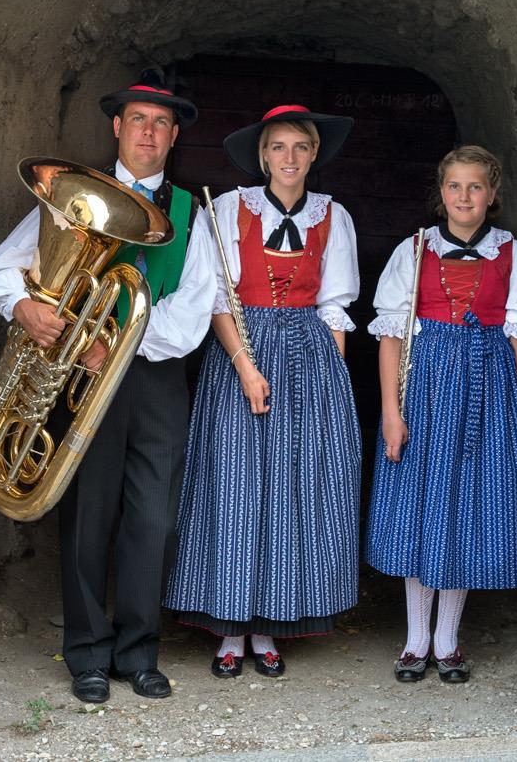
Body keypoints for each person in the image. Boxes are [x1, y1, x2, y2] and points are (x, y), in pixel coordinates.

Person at [0, 72, 215, 704]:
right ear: (117, 127)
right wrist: (23, 307)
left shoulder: (193, 212)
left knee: (154, 522)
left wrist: (118, 342)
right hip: (80, 379)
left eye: (162, 123)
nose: (149, 132)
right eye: (139, 119)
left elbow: (191, 315)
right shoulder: (73, 199)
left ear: (174, 135)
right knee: (88, 517)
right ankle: (86, 653)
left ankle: (139, 653)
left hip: (155, 380)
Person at [164, 104, 361, 679]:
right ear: (262, 156)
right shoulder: (228, 208)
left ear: (314, 154)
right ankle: (230, 630)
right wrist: (246, 367)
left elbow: (336, 306)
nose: (289, 158)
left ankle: (269, 626)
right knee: (236, 482)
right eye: (278, 147)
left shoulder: (333, 216)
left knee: (291, 486)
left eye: (300, 147)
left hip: (309, 356)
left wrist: (334, 387)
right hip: (239, 352)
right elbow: (219, 296)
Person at [363, 144, 517, 684]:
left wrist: (516, 423)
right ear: (440, 193)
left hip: (486, 393)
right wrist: (391, 414)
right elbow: (391, 337)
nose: (464, 196)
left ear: (492, 196)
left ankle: (447, 639)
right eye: (454, 186)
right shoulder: (412, 251)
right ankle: (415, 638)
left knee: (464, 510)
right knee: (421, 506)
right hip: (422, 390)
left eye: (475, 187)